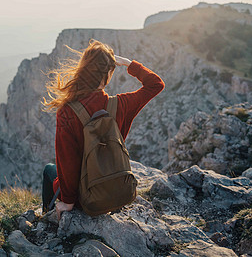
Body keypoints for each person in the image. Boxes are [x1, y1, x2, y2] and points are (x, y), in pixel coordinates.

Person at [42, 39, 164, 219]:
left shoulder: (67, 111)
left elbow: (67, 161)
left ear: (83, 70)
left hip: (87, 198)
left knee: (49, 170)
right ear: (109, 73)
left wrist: (68, 201)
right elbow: (156, 84)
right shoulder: (121, 105)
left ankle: (47, 216)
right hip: (119, 191)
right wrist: (129, 64)